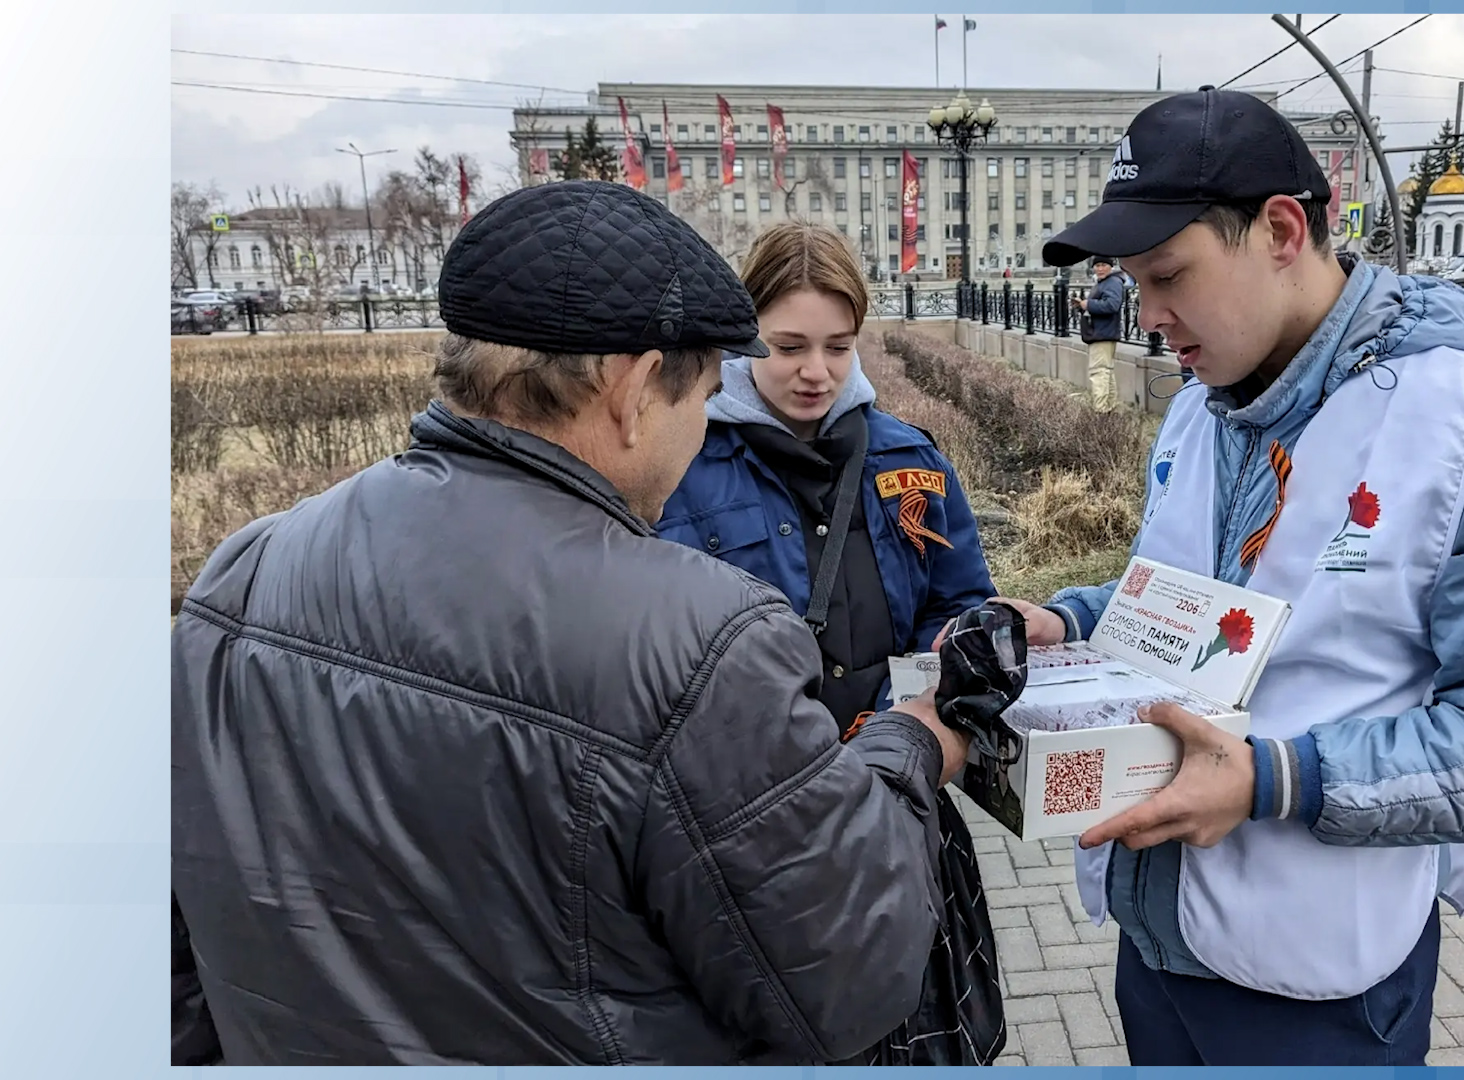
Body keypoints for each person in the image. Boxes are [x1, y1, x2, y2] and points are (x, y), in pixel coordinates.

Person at [171, 180, 975, 1066]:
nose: (707, 424)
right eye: (705, 394)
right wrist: (908, 750)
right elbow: (850, 974)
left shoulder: (241, 574)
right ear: (633, 390)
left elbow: (180, 933)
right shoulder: (697, 642)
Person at [1017, 88, 1464, 1066]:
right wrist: (1067, 620)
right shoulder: (1202, 408)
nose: (1146, 315)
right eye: (1132, 280)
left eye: (1168, 275)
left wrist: (1273, 779)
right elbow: (1192, 613)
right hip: (1158, 951)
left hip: (1318, 995)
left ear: (1282, 230)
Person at [656, 222, 1004, 1065]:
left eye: (838, 347)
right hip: (747, 827)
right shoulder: (680, 460)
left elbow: (957, 602)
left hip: (894, 803)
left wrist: (956, 681)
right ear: (744, 341)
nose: (815, 372)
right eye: (787, 347)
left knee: (908, 1028)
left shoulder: (906, 460)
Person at [1071, 255, 1126, 411]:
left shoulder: (1112, 282)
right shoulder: (1106, 282)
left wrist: (1088, 304)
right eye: (1097, 265)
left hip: (1103, 333)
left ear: (1111, 266)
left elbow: (1112, 305)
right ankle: (1110, 408)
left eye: (1103, 265)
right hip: (1101, 332)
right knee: (1105, 371)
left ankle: (1100, 412)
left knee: (1099, 372)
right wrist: (1082, 305)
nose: (1100, 268)